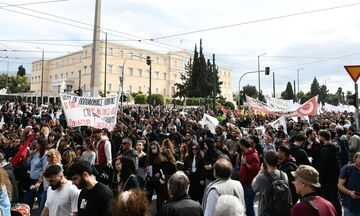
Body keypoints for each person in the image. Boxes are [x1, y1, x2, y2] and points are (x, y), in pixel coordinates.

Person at [252, 150, 289, 216]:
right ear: (278, 161)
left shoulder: (261, 178)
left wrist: (260, 171)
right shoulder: (284, 175)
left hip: (265, 212)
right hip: (281, 210)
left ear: (265, 161)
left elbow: (254, 187)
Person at [318, 129, 342, 216]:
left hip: (327, 179)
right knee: (335, 197)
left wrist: (320, 179)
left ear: (322, 137)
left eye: (319, 136)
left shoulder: (325, 150)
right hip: (336, 176)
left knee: (329, 199)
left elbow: (322, 167)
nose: (318, 138)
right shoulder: (336, 147)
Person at [238, 138, 260, 216]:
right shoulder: (244, 153)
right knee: (246, 205)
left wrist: (245, 164)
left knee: (249, 206)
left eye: (240, 144)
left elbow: (255, 170)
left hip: (249, 185)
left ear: (243, 145)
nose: (239, 145)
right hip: (244, 183)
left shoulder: (254, 155)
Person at [23, 138, 47, 209]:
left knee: (40, 199)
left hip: (38, 180)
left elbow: (44, 169)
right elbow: (28, 164)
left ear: (41, 144)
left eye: (37, 143)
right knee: (27, 199)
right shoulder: (35, 152)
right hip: (31, 178)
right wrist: (30, 156)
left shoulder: (45, 154)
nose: (35, 144)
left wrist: (39, 181)